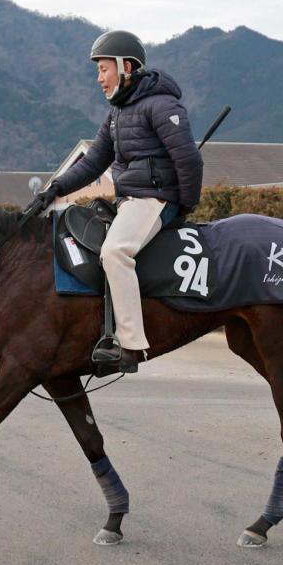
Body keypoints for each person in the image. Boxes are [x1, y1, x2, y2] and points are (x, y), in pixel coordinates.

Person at [37, 30, 203, 371]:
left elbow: (189, 160)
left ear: (125, 66)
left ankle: (132, 345)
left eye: (103, 69)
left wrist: (183, 205)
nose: (99, 78)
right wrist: (56, 188)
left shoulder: (162, 105)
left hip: (154, 199)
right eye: (98, 71)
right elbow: (93, 161)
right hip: (129, 201)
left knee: (115, 253)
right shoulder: (117, 113)